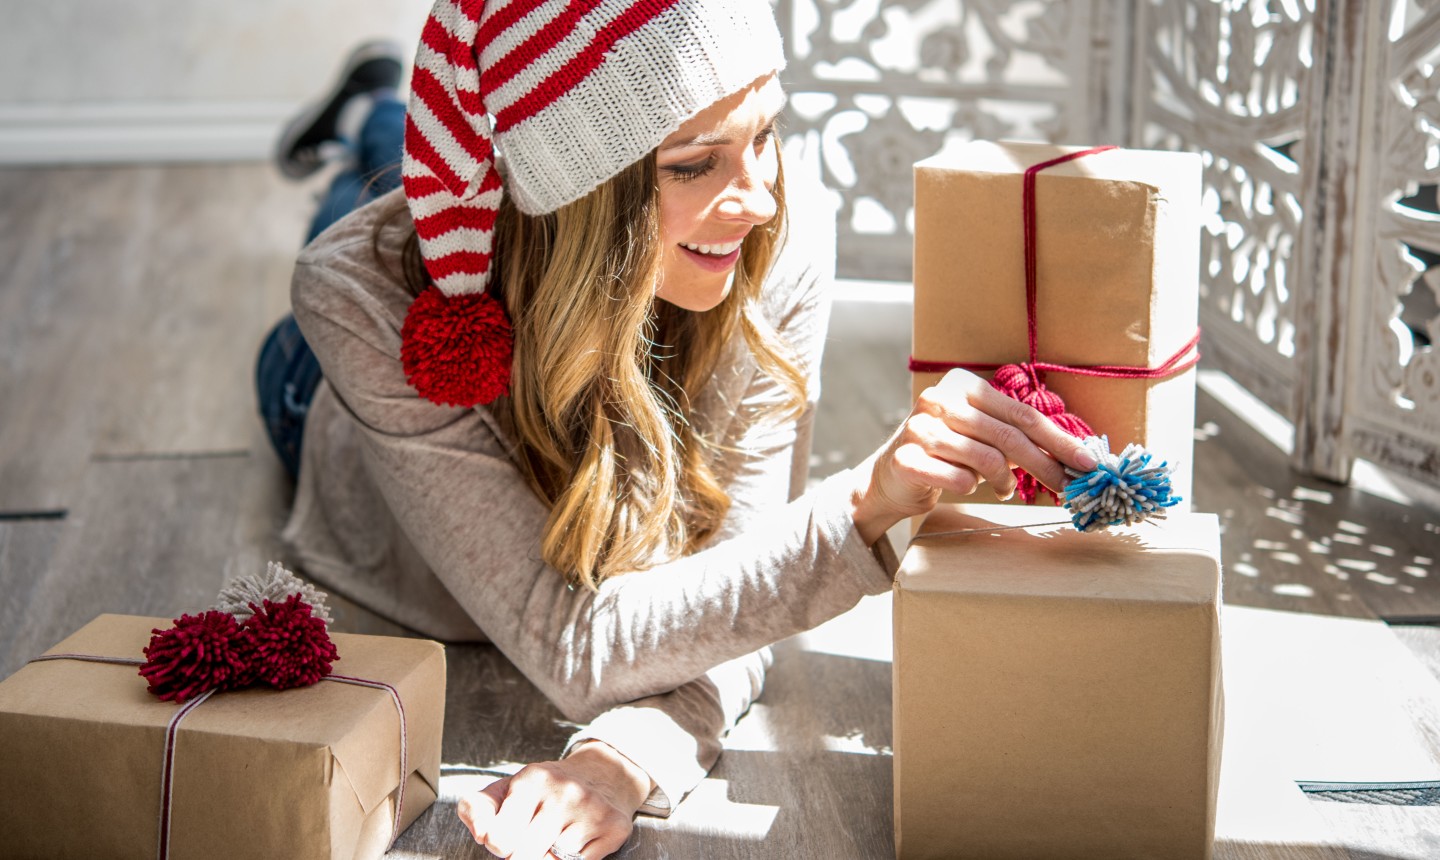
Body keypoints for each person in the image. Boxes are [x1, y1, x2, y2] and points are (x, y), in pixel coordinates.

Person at [256, 1, 1097, 858]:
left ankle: (374, 107)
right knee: (364, 202)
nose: (763, 200)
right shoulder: (356, 297)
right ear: (585, 194)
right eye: (696, 164)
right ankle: (370, 111)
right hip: (332, 400)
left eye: (766, 132)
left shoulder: (783, 229)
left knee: (436, 157)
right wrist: (856, 510)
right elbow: (571, 640)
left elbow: (737, 595)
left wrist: (623, 759)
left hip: (529, 231)